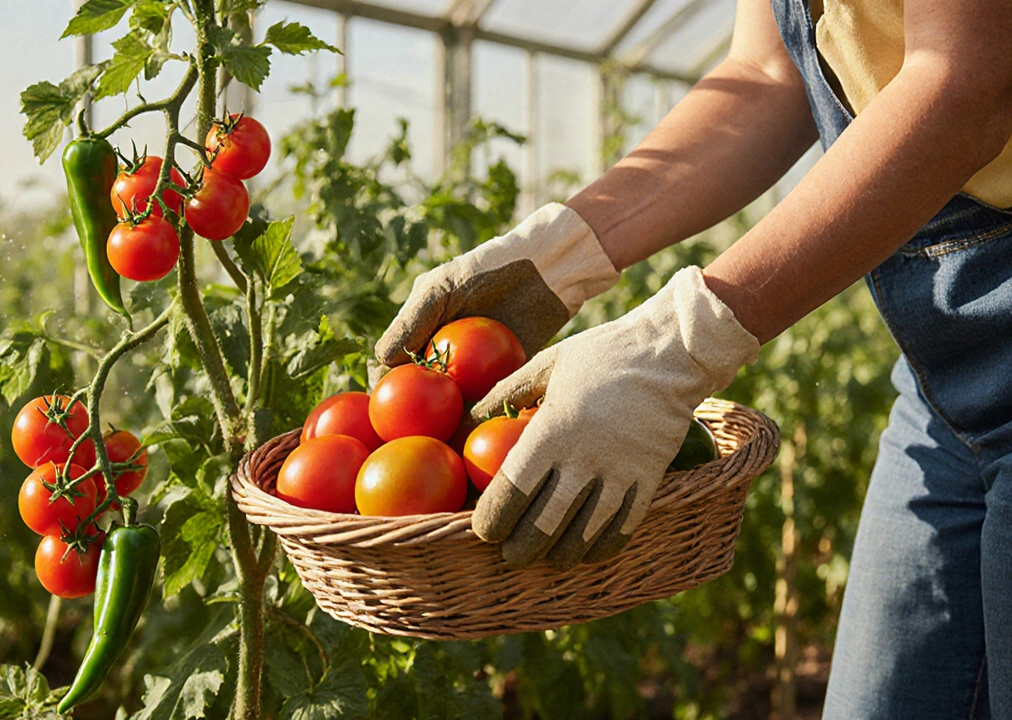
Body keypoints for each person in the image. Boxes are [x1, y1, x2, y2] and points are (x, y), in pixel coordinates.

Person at [374, 0, 1012, 717]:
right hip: (942, 391)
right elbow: (767, 75)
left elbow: (962, 83)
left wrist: (682, 342)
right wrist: (567, 249)